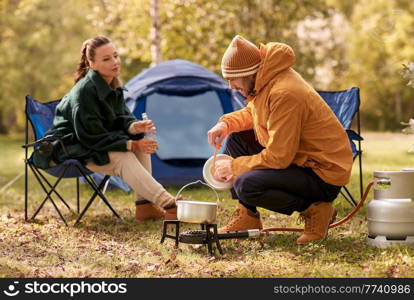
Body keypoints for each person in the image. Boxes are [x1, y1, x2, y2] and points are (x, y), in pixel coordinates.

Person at [207, 35, 353, 244]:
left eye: (233, 79)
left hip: (322, 173)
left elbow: (279, 157)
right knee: (236, 140)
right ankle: (247, 216)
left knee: (246, 184)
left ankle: (316, 211)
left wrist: (235, 166)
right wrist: (225, 124)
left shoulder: (285, 92)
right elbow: (255, 113)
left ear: (250, 73)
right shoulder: (266, 79)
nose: (230, 86)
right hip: (300, 161)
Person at [41, 36, 177, 221]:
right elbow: (91, 137)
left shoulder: (111, 83)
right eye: (107, 59)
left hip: (93, 144)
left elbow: (121, 117)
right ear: (92, 64)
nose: (115, 62)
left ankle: (145, 207)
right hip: (69, 149)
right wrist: (131, 145)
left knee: (139, 140)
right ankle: (171, 204)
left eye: (115, 56)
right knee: (124, 155)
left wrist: (134, 126)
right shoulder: (84, 92)